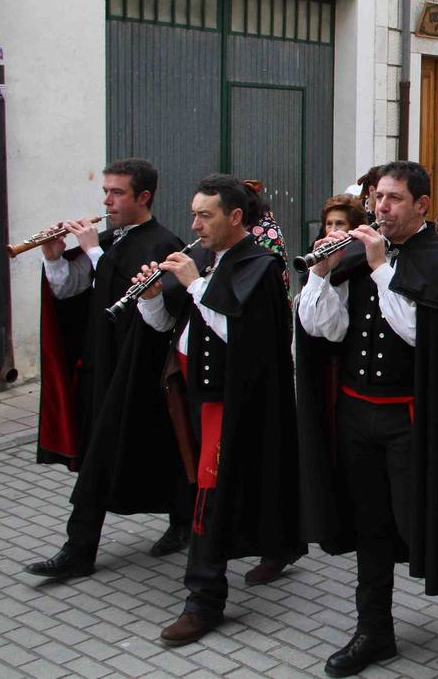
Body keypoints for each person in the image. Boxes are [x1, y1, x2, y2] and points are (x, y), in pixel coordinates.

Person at [294, 161, 438, 674]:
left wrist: (382, 270)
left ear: (422, 205)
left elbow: (422, 336)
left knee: (424, 515)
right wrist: (321, 274)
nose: (381, 207)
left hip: (414, 419)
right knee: (371, 526)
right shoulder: (356, 255)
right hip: (357, 414)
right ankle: (373, 631)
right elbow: (326, 331)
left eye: (394, 199)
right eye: (377, 197)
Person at [134, 174, 302, 646]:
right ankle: (281, 544)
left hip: (233, 399)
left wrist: (195, 284)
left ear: (234, 217)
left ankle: (203, 598)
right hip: (193, 389)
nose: (196, 224)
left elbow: (244, 337)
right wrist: (151, 298)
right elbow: (173, 320)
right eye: (193, 214)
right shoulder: (204, 258)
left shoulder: (261, 264)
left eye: (205, 215)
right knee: (221, 486)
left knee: (212, 491)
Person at [26, 158, 192, 581]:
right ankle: (84, 546)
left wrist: (95, 252)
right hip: (101, 364)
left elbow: (136, 299)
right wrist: (55, 259)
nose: (107, 200)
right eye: (105, 192)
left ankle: (178, 521)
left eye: (117, 193)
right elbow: (72, 291)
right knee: (102, 454)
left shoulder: (162, 243)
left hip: (141, 369)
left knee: (161, 447)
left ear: (143, 197)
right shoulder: (107, 238)